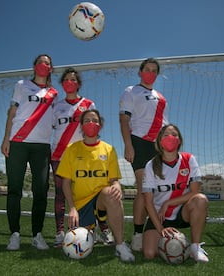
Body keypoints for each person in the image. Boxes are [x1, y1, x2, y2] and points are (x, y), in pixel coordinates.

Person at [56, 109, 135, 262]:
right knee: (81, 242)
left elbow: (113, 180)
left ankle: (120, 245)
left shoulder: (109, 149)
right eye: (87, 120)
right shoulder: (71, 149)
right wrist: (72, 208)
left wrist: (117, 185)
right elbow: (65, 183)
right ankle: (94, 229)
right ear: (81, 126)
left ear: (100, 125)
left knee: (112, 194)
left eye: (95, 120)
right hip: (81, 204)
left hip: (101, 200)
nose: (91, 123)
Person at [51, 67, 114, 247]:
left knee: (93, 192)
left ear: (78, 84)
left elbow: (93, 125)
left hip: (84, 155)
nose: (69, 82)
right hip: (59, 155)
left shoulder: (89, 104)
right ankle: (59, 233)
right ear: (62, 84)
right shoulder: (57, 106)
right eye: (66, 80)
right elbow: (53, 129)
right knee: (60, 194)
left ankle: (103, 231)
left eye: (73, 79)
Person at [1, 54, 58, 251]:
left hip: (42, 146)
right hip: (18, 142)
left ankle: (37, 234)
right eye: (41, 62)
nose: (44, 65)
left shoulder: (54, 93)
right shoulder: (22, 85)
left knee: (41, 191)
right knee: (14, 189)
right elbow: (12, 112)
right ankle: (14, 234)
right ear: (35, 66)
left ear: (51, 69)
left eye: (47, 63)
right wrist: (6, 139)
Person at [119, 57, 168, 251]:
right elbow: (124, 120)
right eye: (147, 69)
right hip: (139, 142)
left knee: (155, 191)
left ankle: (153, 230)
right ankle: (138, 235)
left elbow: (164, 124)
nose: (150, 73)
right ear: (140, 72)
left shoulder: (162, 97)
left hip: (158, 146)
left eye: (154, 70)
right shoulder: (131, 91)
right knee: (143, 189)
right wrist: (128, 145)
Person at [142, 124, 209, 263]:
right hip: (159, 216)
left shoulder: (189, 159)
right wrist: (160, 229)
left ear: (180, 140)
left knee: (201, 199)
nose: (170, 138)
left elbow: (195, 191)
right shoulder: (151, 165)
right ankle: (175, 238)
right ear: (160, 141)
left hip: (181, 213)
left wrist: (169, 202)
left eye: (174, 135)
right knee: (149, 253)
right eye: (166, 135)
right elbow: (148, 202)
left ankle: (195, 247)